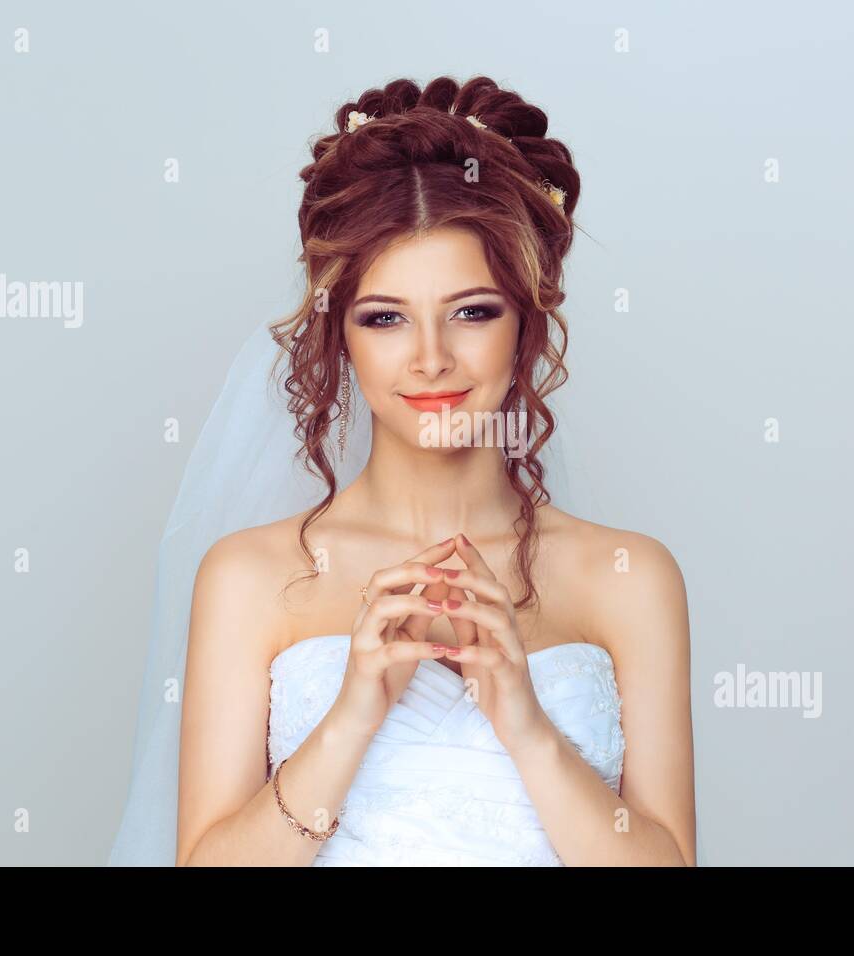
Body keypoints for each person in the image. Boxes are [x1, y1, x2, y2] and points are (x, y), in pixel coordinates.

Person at [110, 75, 695, 866]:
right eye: (384, 318)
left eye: (473, 311)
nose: (430, 359)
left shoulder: (629, 576)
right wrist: (354, 712)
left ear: (526, 321)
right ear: (339, 336)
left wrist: (526, 726)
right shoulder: (248, 577)